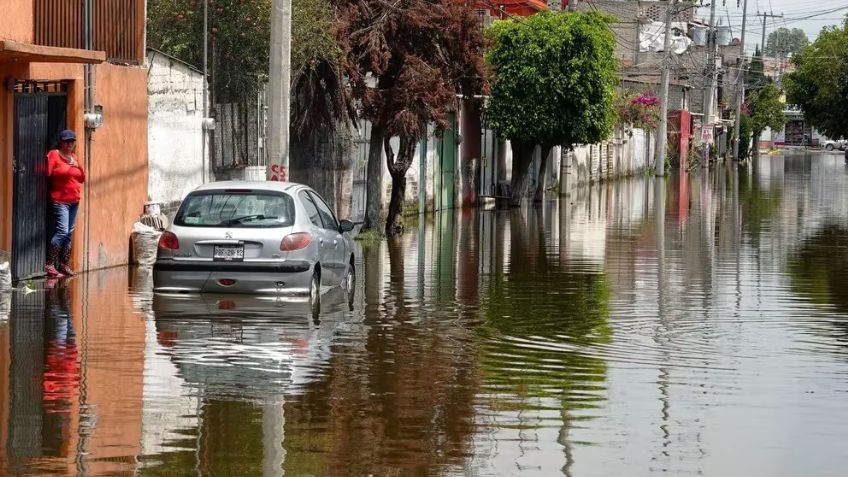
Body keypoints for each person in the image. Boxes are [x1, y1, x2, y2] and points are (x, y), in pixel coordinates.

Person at [45, 130, 85, 277]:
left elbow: (82, 178)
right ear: (61, 142)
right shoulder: (54, 154)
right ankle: (49, 264)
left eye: (72, 141)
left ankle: (64, 264)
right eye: (66, 141)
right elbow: (48, 173)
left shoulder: (74, 157)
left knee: (68, 233)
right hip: (60, 200)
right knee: (62, 231)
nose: (69, 144)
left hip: (74, 200)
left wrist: (78, 165)